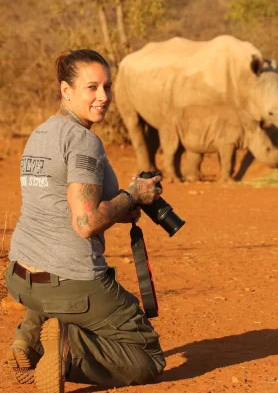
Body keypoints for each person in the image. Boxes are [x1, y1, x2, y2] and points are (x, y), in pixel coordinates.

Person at [5, 49, 166, 392]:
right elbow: (85, 224)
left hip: (20, 275)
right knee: (147, 358)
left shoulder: (41, 133)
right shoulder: (83, 141)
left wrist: (123, 207)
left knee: (55, 295)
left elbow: (56, 204)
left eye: (107, 87)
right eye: (91, 88)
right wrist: (133, 195)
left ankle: (30, 338)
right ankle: (67, 349)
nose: (103, 97)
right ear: (66, 90)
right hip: (70, 282)